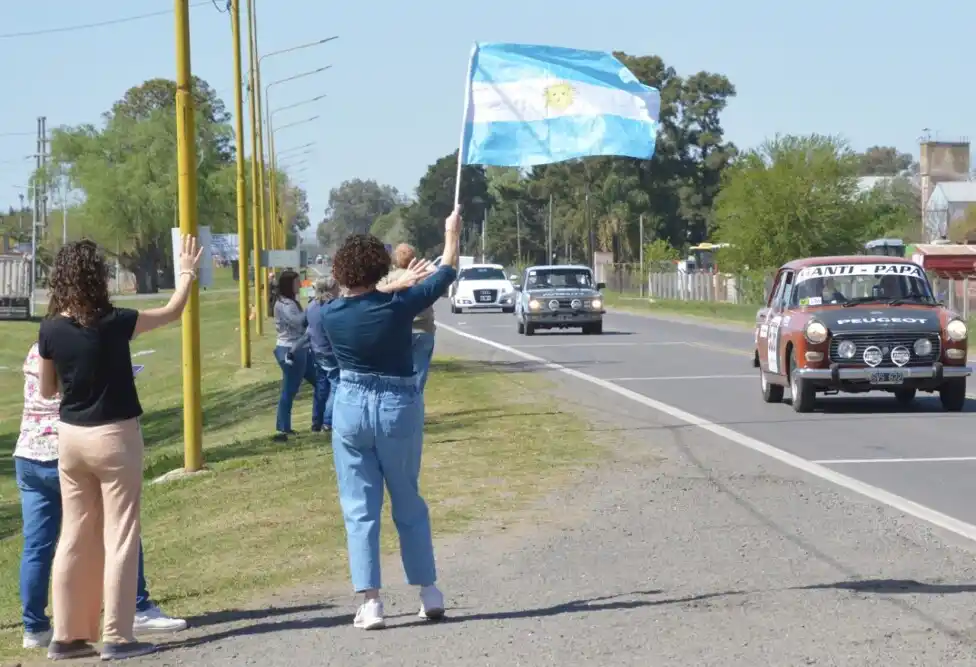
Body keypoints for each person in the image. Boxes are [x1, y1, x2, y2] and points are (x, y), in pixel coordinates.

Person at [37, 236, 202, 661]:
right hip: (114, 436)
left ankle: (66, 636)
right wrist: (186, 273)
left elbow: (48, 389)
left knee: (74, 535)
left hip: (71, 439)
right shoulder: (114, 321)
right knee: (120, 534)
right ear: (97, 278)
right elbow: (173, 311)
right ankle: (117, 635)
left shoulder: (50, 328)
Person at [320, 207, 461, 630]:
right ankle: (429, 592)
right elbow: (445, 274)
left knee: (360, 508)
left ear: (341, 272)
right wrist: (451, 235)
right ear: (381, 269)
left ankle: (371, 602)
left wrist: (390, 286)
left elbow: (356, 299)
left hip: (351, 404)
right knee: (408, 500)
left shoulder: (329, 314)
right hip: (397, 404)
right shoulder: (399, 307)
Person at [14, 344, 186, 652]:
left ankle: (34, 626)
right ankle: (138, 606)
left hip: (28, 454)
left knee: (37, 545)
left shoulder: (37, 349)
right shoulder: (77, 349)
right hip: (65, 450)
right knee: (120, 526)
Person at [286, 277, 340, 432]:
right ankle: (328, 421)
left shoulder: (311, 306)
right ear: (330, 289)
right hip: (331, 353)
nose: (339, 290)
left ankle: (317, 421)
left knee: (322, 387)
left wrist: (293, 350)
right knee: (337, 386)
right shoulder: (332, 306)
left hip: (317, 352)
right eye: (336, 287)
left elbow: (307, 330)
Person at [380, 244, 437, 392]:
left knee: (395, 375)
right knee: (419, 375)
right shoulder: (423, 277)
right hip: (424, 329)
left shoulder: (389, 279)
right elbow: (439, 277)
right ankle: (415, 400)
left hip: (397, 330)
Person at [272, 269, 316, 441]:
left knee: (321, 381)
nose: (300, 285)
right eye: (297, 282)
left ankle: (321, 420)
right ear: (288, 284)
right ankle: (283, 427)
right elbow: (298, 322)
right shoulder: (286, 304)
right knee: (290, 389)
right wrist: (312, 306)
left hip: (300, 349)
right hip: (291, 350)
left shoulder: (290, 301)